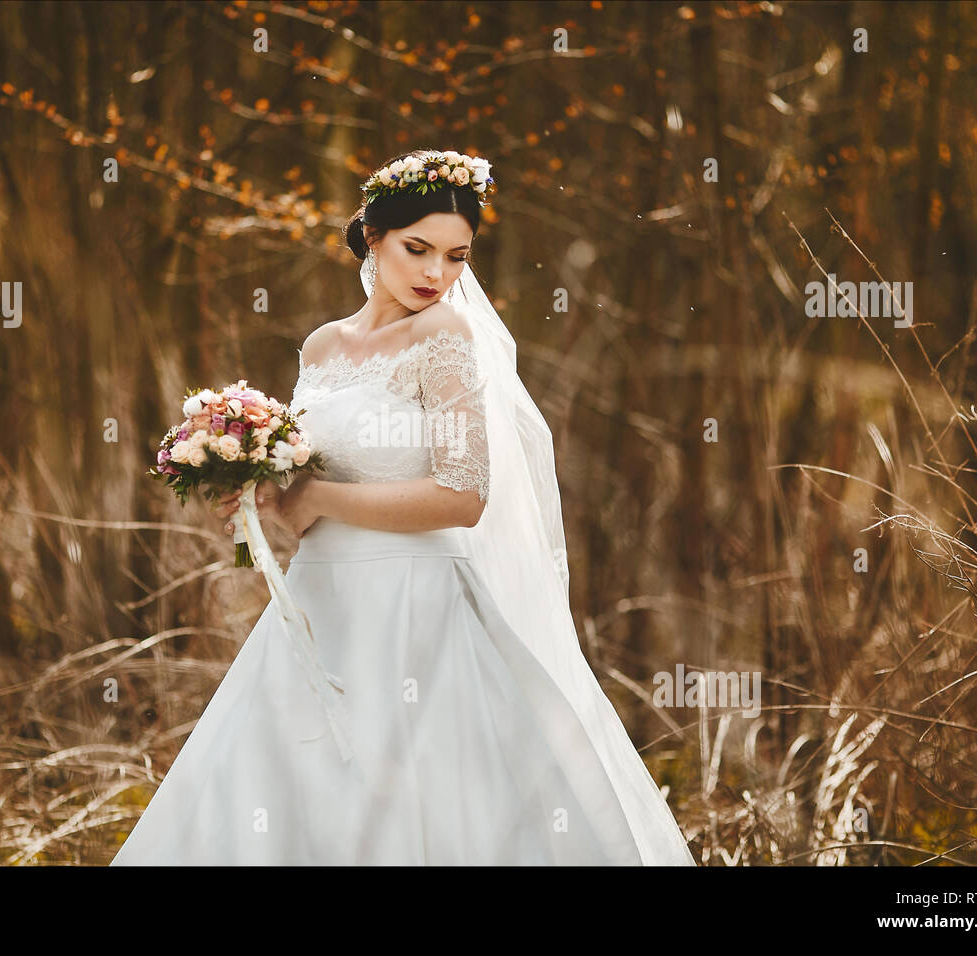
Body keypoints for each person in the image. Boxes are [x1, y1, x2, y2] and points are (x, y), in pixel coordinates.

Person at [111, 149, 695, 865]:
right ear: (373, 238)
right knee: (291, 789)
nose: (435, 275)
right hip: (322, 603)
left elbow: (463, 495)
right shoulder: (322, 347)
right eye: (418, 249)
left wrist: (316, 496)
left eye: (456, 257)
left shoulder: (443, 337)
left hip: (419, 608)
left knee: (417, 797)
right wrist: (261, 495)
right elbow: (310, 491)